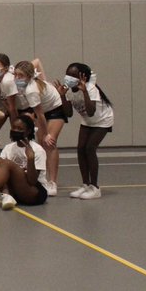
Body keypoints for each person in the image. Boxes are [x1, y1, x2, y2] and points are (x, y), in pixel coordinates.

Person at [60, 62, 114, 200]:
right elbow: (69, 114)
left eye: (73, 75)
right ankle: (85, 184)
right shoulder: (69, 91)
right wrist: (62, 96)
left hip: (102, 120)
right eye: (68, 74)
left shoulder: (91, 88)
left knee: (90, 148)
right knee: (80, 148)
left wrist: (85, 92)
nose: (69, 77)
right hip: (87, 121)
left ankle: (95, 187)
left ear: (82, 77)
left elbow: (91, 111)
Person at [13, 59, 65, 195]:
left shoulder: (31, 90)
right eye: (15, 75)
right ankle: (42, 178)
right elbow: (36, 61)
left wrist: (47, 134)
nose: (17, 78)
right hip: (43, 109)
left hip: (55, 109)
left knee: (49, 143)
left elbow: (40, 115)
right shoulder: (27, 82)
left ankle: (52, 182)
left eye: (21, 75)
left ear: (30, 76)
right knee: (41, 145)